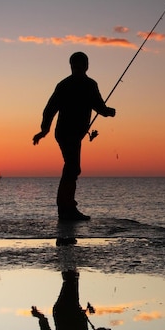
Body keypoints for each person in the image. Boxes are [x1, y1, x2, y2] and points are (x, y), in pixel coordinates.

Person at [33, 52, 116, 221]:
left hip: (75, 134)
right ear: (72, 66)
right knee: (72, 167)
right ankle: (66, 208)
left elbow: (98, 106)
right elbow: (50, 109)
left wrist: (107, 111)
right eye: (75, 66)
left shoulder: (87, 85)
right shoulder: (67, 85)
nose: (78, 69)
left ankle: (66, 206)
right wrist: (44, 130)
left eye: (80, 66)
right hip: (65, 133)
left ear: (86, 66)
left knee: (72, 168)